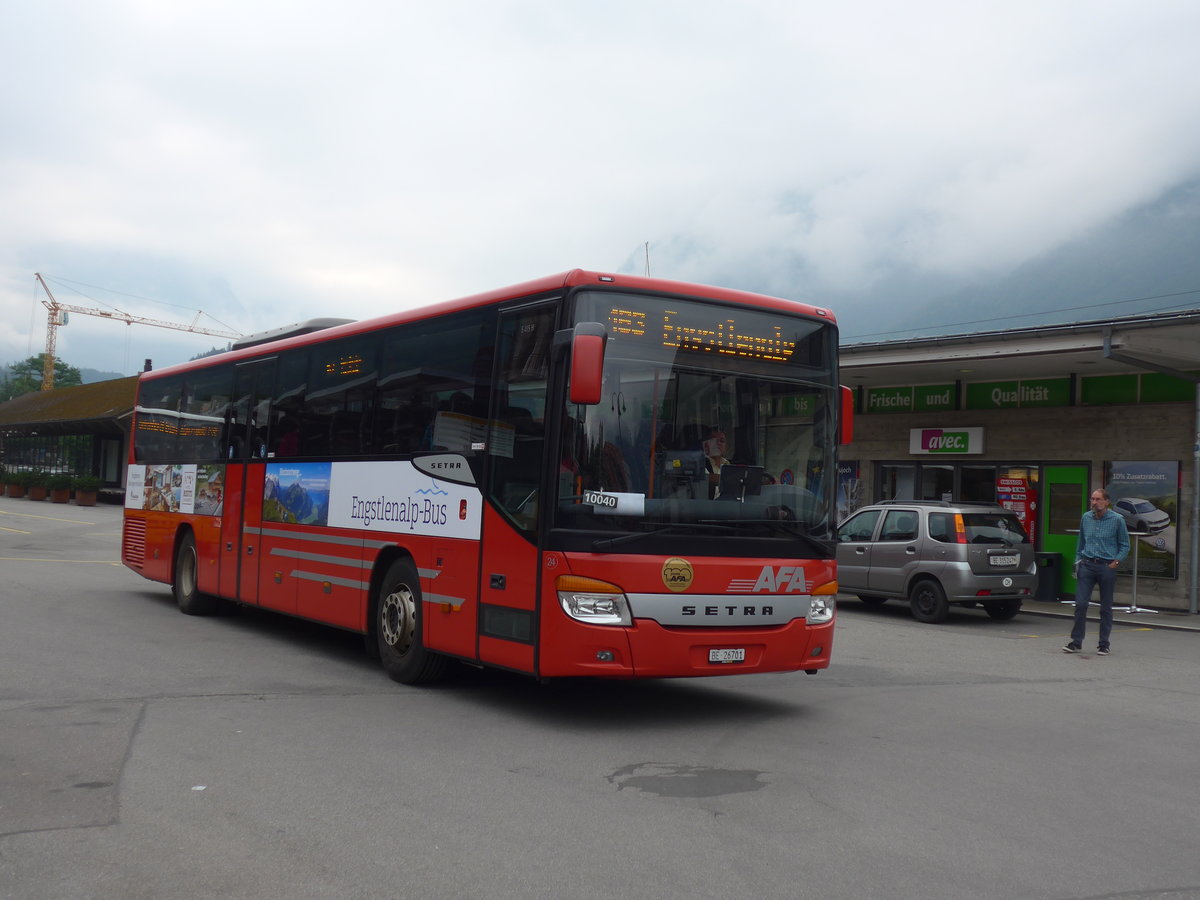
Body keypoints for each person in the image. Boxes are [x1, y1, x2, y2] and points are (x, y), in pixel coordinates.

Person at [1063, 488, 1130, 655]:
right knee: (1080, 604)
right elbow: (1081, 542)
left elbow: (1125, 545)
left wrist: (1115, 563)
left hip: (1106, 566)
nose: (1094, 502)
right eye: (1092, 499)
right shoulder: (1086, 517)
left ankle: (1103, 644)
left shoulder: (1117, 520)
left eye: (1098, 499)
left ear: (1106, 501)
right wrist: (1077, 561)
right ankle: (1076, 642)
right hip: (1087, 564)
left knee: (1105, 607)